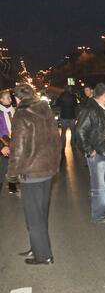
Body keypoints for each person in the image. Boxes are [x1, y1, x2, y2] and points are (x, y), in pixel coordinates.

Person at [6, 84, 61, 265]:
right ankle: (37, 246)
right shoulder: (45, 109)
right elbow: (56, 140)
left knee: (33, 217)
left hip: (31, 173)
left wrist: (12, 175)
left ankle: (43, 256)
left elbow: (17, 149)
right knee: (40, 213)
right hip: (46, 171)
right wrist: (55, 165)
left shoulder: (21, 115)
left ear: (17, 98)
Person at [75, 83, 105, 223]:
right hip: (98, 153)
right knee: (99, 186)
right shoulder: (90, 109)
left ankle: (103, 203)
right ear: (104, 95)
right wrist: (89, 150)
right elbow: (80, 131)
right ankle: (97, 215)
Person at [0, 89, 18, 195]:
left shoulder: (13, 110)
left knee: (13, 166)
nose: (10, 99)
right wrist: (3, 146)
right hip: (3, 143)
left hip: (14, 141)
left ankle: (12, 187)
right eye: (7, 97)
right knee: (3, 167)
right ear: (1, 100)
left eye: (10, 97)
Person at [55, 86, 78, 151]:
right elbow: (76, 105)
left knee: (63, 131)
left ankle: (63, 145)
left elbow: (57, 104)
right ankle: (73, 144)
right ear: (70, 89)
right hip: (72, 116)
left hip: (63, 116)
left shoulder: (61, 96)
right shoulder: (73, 96)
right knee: (73, 131)